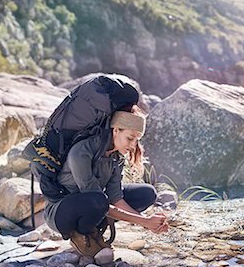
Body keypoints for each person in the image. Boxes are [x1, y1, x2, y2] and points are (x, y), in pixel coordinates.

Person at [43, 105, 169, 256]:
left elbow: (116, 198)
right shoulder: (81, 152)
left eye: (137, 140)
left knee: (146, 193)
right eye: (130, 138)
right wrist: (144, 222)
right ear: (116, 130)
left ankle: (93, 229)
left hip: (94, 204)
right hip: (61, 213)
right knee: (99, 200)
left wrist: (147, 222)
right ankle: (81, 234)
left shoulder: (116, 157)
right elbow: (99, 200)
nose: (133, 145)